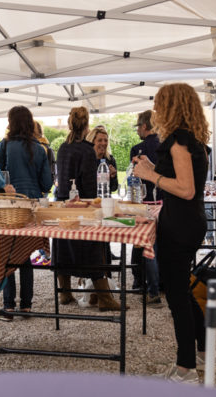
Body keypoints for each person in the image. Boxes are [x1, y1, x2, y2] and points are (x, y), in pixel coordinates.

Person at [132, 83, 209, 384]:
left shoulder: (178, 141)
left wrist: (151, 175)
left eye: (160, 103)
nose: (155, 110)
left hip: (180, 223)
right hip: (188, 221)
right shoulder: (191, 139)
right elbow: (180, 179)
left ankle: (186, 368)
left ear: (172, 106)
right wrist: (153, 167)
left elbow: (186, 190)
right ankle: (201, 351)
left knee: (176, 294)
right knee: (182, 289)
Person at [53, 107, 121, 311]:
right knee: (93, 249)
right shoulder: (86, 150)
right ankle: (105, 298)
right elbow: (91, 186)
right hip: (83, 205)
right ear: (87, 125)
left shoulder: (63, 147)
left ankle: (65, 292)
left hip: (63, 204)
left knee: (62, 247)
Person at [0, 106, 53, 318]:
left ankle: (8, 305)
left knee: (8, 255)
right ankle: (26, 305)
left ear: (10, 122)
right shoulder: (40, 149)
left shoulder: (5, 146)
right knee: (27, 254)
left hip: (9, 206)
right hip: (32, 205)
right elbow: (47, 183)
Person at [129, 109, 162, 305]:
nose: (137, 131)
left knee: (143, 245)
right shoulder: (167, 147)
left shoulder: (137, 149)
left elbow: (134, 178)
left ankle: (146, 287)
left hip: (145, 203)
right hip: (165, 202)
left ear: (144, 126)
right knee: (158, 246)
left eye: (138, 127)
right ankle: (157, 286)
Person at [85, 125, 118, 193]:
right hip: (89, 200)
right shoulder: (85, 160)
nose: (103, 143)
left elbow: (114, 188)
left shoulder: (110, 160)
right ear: (92, 142)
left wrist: (113, 177)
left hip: (105, 200)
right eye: (100, 140)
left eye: (106, 140)